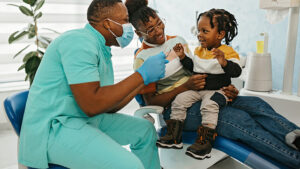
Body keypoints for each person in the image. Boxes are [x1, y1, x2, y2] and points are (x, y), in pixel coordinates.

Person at [125, 0, 300, 168]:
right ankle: (295, 159)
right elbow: (151, 102)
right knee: (236, 119)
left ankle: (295, 137)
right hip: (178, 110)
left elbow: (197, 68)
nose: (158, 31)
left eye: (159, 23)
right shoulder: (142, 59)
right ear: (139, 34)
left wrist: (225, 88)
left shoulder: (177, 41)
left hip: (203, 93)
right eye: (150, 30)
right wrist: (185, 87)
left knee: (257, 104)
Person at [18, 0, 168, 169]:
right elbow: (92, 104)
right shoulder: (79, 43)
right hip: (54, 128)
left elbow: (107, 106)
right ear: (107, 24)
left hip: (83, 118)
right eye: (125, 21)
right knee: (130, 165)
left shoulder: (100, 47)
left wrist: (143, 82)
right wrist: (141, 75)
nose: (130, 28)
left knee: (145, 131)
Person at [156, 9, 242, 160]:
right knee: (180, 100)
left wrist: (224, 62)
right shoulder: (199, 50)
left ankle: (204, 142)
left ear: (220, 34)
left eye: (205, 31)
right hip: (199, 90)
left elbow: (236, 71)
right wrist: (183, 57)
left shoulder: (226, 51)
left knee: (209, 105)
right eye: (198, 30)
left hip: (218, 91)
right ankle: (174, 136)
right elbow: (193, 67)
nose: (199, 34)